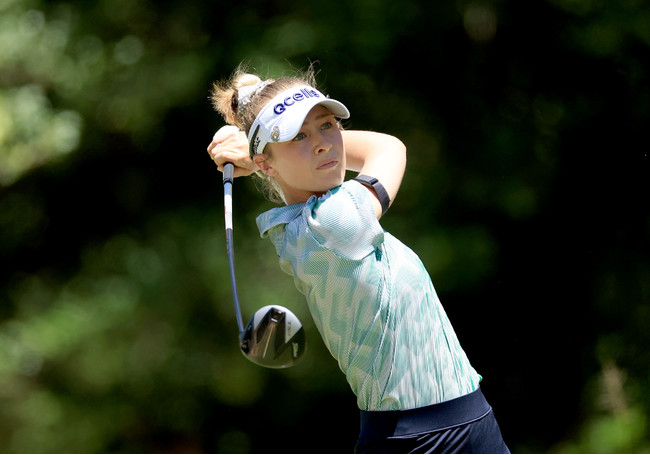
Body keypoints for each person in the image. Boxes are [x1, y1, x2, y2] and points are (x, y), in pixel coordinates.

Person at [207, 65, 510, 454]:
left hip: (470, 419)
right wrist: (257, 151)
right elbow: (389, 148)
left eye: (327, 125)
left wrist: (264, 152)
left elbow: (339, 154)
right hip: (419, 441)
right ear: (265, 164)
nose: (324, 144)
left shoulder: (311, 221)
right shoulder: (332, 222)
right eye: (299, 135)